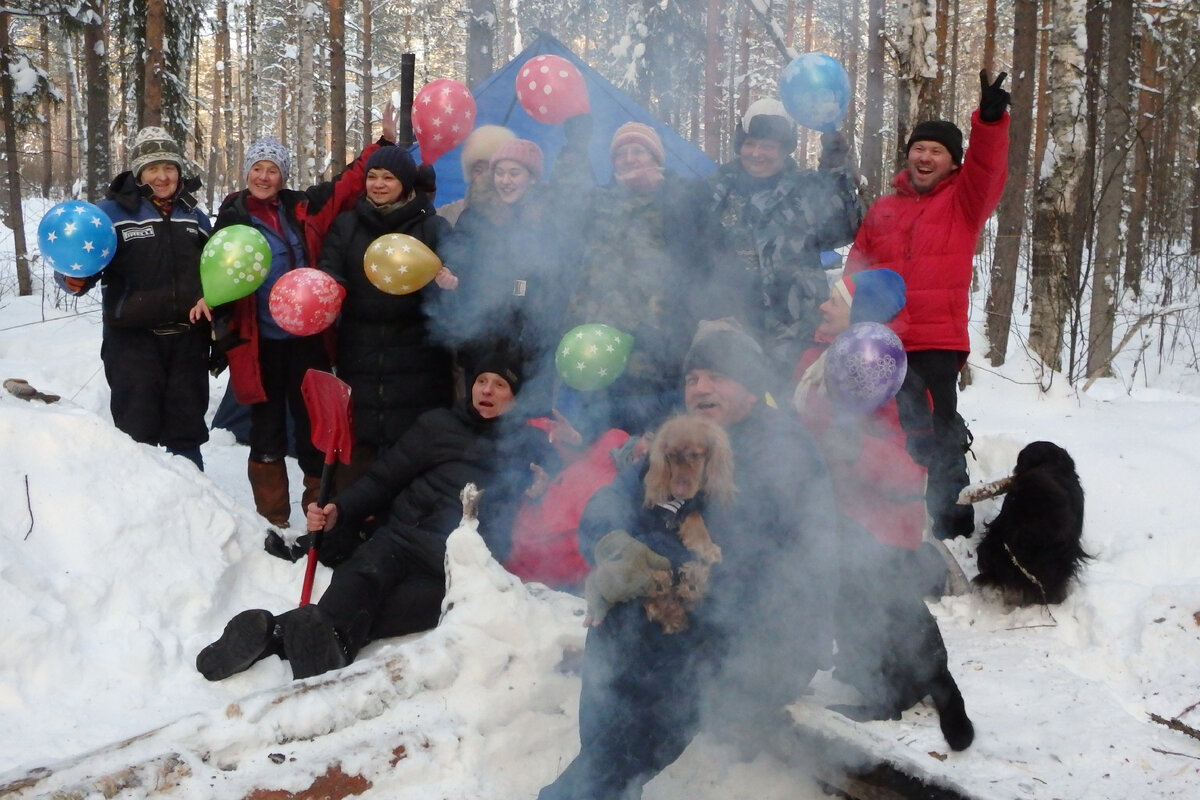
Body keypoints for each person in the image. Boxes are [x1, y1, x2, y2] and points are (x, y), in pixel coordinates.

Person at [538, 328, 839, 800]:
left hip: (766, 631)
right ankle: (605, 784)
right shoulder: (680, 439)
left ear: (750, 386)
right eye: (692, 378)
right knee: (615, 620)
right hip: (690, 605)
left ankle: (583, 792)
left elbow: (737, 557)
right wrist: (616, 552)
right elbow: (605, 507)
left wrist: (643, 562)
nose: (699, 388)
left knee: (666, 650)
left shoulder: (781, 449)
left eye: (716, 376)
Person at [196, 354, 546, 682]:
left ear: (516, 398)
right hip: (399, 541)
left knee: (389, 609)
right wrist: (340, 510)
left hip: (453, 569)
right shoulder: (439, 427)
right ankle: (322, 652)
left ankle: (274, 634)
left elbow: (558, 507)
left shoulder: (529, 448)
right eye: (482, 381)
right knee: (360, 581)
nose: (487, 390)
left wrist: (543, 491)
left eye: (500, 385)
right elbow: (383, 479)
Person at [790, 268, 974, 750]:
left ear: (861, 315)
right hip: (836, 512)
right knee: (856, 602)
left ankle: (892, 693)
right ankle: (890, 675)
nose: (823, 306)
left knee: (879, 603)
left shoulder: (895, 376)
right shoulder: (822, 360)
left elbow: (911, 470)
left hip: (882, 525)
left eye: (835, 300)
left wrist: (856, 451)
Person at [210, 105, 398, 527]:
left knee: (316, 429)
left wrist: (382, 145)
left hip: (307, 341)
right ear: (246, 172)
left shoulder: (303, 208)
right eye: (257, 168)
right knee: (266, 433)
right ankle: (273, 521)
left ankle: (318, 519)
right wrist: (207, 298)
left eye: (272, 170)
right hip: (257, 345)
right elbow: (211, 267)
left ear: (283, 176)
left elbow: (347, 186)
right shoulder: (231, 217)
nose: (264, 177)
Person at [844, 70, 1011, 540]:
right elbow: (856, 268)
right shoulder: (884, 208)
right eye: (919, 148)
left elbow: (987, 170)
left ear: (953, 162)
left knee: (937, 431)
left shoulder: (963, 203)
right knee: (880, 432)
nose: (924, 156)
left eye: (936, 151)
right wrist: (847, 321)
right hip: (879, 341)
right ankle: (885, 519)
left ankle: (950, 524)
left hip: (934, 341)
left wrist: (989, 124)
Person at [58, 126, 212, 470]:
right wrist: (72, 278)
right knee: (136, 434)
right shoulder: (110, 214)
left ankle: (194, 500)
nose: (162, 176)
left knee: (186, 433)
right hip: (132, 345)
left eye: (169, 167)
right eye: (153, 168)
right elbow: (77, 263)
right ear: (139, 172)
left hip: (188, 343)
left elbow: (215, 268)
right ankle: (141, 499)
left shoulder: (194, 215)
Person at [561, 122, 719, 439]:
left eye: (639, 151)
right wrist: (574, 147)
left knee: (650, 440)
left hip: (657, 351)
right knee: (600, 441)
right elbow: (563, 205)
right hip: (598, 348)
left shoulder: (681, 200)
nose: (630, 159)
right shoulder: (599, 203)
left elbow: (701, 263)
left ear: (656, 158)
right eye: (622, 154)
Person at [317, 146, 459, 487]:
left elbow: (461, 279)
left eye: (388, 178)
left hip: (419, 360)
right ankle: (353, 515)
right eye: (372, 177)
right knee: (360, 453)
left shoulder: (433, 228)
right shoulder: (347, 225)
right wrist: (332, 289)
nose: (378, 184)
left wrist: (451, 284)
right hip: (360, 354)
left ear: (406, 184)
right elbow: (329, 269)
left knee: (410, 457)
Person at [707, 98, 863, 374]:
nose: (757, 153)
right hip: (732, 334)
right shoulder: (716, 191)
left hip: (799, 336)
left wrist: (836, 168)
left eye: (768, 145)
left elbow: (847, 227)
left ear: (784, 149)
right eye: (750, 144)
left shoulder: (806, 190)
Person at [435, 136, 585, 413]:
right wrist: (452, 275)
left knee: (529, 421)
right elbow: (459, 253)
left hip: (533, 344)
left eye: (514, 173)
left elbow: (564, 274)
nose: (505, 180)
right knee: (482, 417)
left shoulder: (551, 222)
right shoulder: (475, 217)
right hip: (484, 341)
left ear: (532, 178)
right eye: (500, 173)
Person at [435, 124, 517, 226]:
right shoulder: (448, 215)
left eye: (492, 170)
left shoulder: (521, 217)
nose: (484, 177)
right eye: (478, 170)